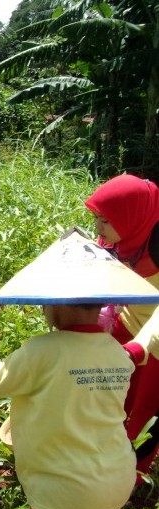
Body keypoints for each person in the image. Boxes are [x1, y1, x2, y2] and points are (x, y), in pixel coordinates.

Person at [0, 229, 159, 509]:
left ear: (53, 304)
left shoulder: (42, 351)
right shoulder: (115, 353)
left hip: (64, 493)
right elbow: (136, 352)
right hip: (116, 478)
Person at [84, 174, 159, 479]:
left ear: (132, 218)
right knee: (109, 392)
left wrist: (142, 346)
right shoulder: (121, 235)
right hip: (128, 320)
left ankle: (129, 474)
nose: (98, 228)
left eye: (104, 221)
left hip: (155, 336)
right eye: (96, 218)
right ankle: (98, 452)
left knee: (145, 408)